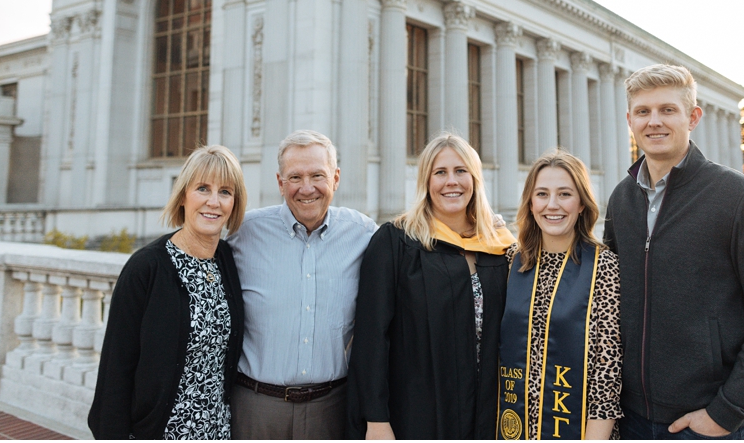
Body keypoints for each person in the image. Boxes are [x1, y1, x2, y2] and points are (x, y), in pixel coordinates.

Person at [603, 64, 744, 440]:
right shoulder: (621, 199)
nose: (654, 122)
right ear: (630, 120)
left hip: (709, 425)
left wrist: (727, 412)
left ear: (692, 117)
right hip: (630, 420)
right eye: (643, 112)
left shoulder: (738, 197)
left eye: (667, 110)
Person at [346, 132, 516, 439]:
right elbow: (371, 338)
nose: (452, 181)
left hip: (490, 412)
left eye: (461, 171)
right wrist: (376, 419)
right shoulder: (396, 242)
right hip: (417, 413)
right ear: (426, 181)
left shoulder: (501, 246)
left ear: (475, 179)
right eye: (440, 172)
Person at [88, 144, 247, 439]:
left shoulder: (227, 260)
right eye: (203, 188)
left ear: (234, 203)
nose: (214, 201)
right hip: (160, 432)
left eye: (225, 192)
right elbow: (115, 370)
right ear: (183, 195)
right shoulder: (146, 268)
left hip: (217, 432)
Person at [226, 129, 376, 439]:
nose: (306, 188)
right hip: (255, 410)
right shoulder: (244, 233)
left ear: (335, 178)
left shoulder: (363, 233)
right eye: (295, 177)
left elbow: (416, 248)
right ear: (280, 183)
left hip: (331, 410)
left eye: (317, 175)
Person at [498, 149, 622, 440]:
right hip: (513, 425)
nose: (552, 205)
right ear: (530, 203)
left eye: (565, 194)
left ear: (581, 204)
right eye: (542, 194)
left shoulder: (603, 267)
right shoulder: (510, 262)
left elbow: (607, 371)